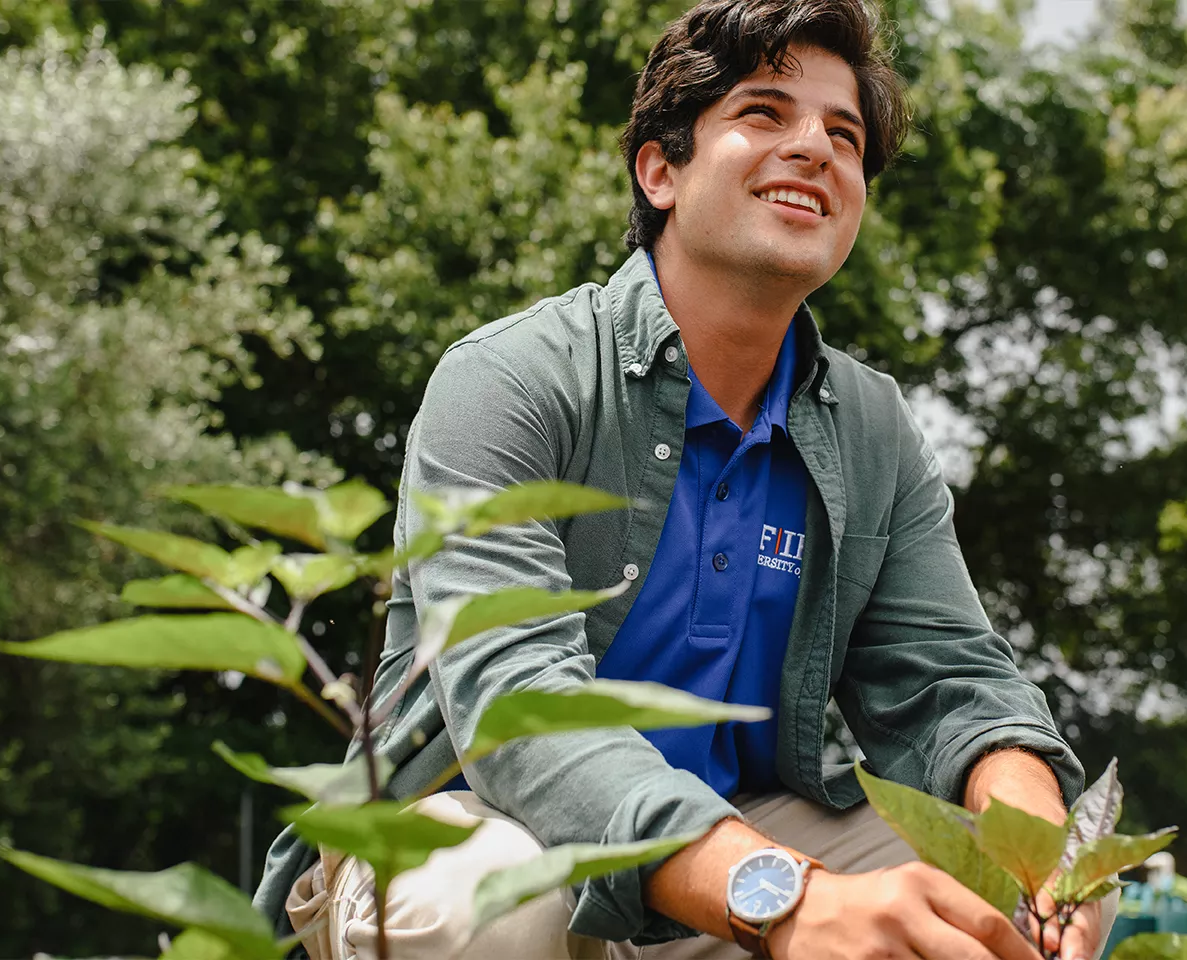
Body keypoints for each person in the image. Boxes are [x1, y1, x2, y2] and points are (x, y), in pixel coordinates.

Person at [255, 1, 1112, 957]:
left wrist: (1039, 851)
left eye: (844, 134)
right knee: (484, 905)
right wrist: (782, 897)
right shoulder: (509, 379)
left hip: (730, 842)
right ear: (661, 171)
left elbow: (952, 680)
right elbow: (517, 706)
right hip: (481, 825)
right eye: (763, 114)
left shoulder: (874, 428)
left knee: (1030, 882)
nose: (815, 149)